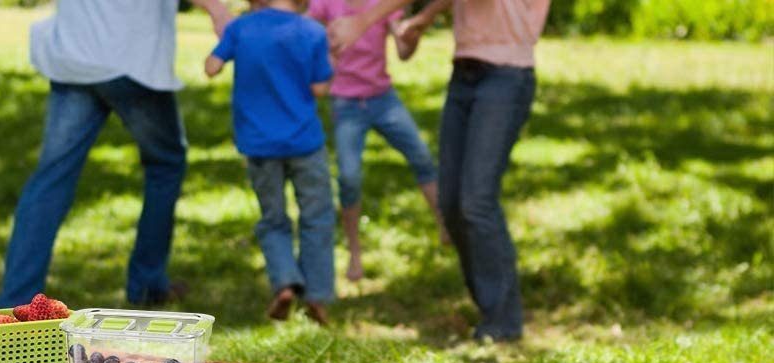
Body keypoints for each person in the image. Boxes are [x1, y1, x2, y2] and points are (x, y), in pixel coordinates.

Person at [330, 0, 550, 341]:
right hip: (465, 72)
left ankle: (503, 320)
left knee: (476, 201)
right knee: (449, 201)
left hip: (506, 75)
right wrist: (425, 18)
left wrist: (364, 21)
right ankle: (489, 306)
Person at [0, 0, 231, 309]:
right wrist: (218, 11)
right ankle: (147, 284)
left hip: (75, 54)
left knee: (52, 177)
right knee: (166, 162)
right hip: (129, 59)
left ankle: (17, 299)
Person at [205, 0, 336, 324]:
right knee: (316, 216)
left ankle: (284, 283)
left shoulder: (242, 28)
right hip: (305, 142)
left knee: (273, 218)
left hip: (259, 144)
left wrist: (223, 37)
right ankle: (317, 295)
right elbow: (320, 88)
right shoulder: (312, 31)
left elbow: (211, 67)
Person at [308, 0, 446, 282]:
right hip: (346, 104)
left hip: (383, 99)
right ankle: (354, 253)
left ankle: (445, 226)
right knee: (349, 177)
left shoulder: (383, 4)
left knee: (421, 155)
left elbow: (404, 52)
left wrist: (413, 34)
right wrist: (325, 55)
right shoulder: (324, 4)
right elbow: (307, 38)